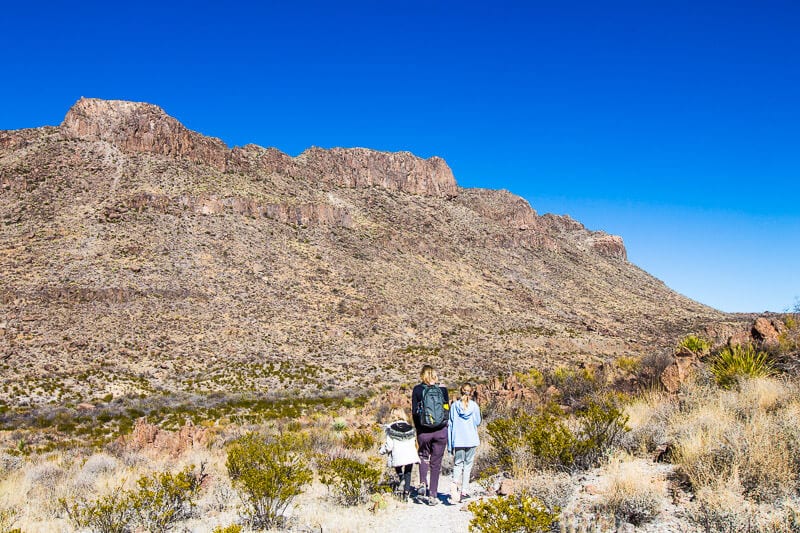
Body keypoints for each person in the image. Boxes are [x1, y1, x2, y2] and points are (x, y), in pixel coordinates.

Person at [411, 364, 449, 505]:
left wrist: (418, 429)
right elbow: (446, 409)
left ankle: (422, 482)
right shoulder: (443, 389)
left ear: (422, 375)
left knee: (423, 456)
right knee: (436, 463)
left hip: (424, 431)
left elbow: (415, 412)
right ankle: (433, 495)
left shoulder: (418, 389)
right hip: (440, 431)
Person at [447, 382, 481, 503]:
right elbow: (478, 421)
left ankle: (455, 483)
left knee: (458, 464)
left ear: (461, 392)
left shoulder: (454, 406)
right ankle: (464, 491)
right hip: (471, 440)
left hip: (458, 440)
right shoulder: (474, 406)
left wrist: (450, 445)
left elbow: (450, 424)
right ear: (471, 392)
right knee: (467, 466)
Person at [378, 408, 419, 500]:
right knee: (408, 472)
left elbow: (389, 446)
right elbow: (414, 442)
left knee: (398, 466)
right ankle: (406, 494)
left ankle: (401, 478)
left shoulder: (390, 428)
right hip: (410, 453)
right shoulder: (410, 427)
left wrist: (381, 451)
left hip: (398, 454)